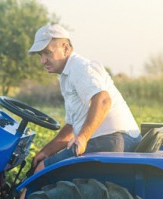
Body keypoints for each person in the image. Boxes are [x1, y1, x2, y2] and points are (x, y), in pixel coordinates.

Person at [27, 24, 141, 175]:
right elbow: (71, 126)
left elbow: (103, 99)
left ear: (65, 48)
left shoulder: (80, 68)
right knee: (42, 166)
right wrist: (47, 151)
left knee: (42, 171)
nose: (42, 61)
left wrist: (82, 138)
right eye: (40, 55)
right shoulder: (67, 74)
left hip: (111, 140)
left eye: (47, 53)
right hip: (112, 140)